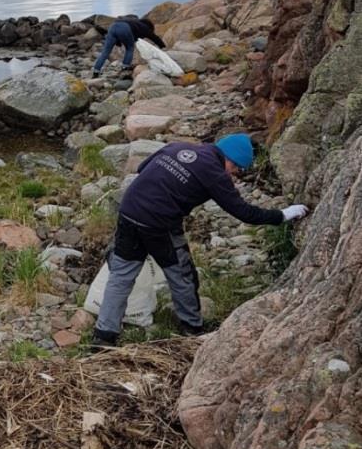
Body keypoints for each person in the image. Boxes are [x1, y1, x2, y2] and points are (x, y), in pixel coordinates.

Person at [92, 133, 309, 348]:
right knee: (181, 272)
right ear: (232, 160)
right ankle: (192, 328)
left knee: (121, 274)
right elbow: (244, 213)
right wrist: (283, 215)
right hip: (159, 222)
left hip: (129, 209)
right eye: (236, 170)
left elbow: (143, 169)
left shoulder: (177, 147)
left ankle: (104, 336)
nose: (233, 175)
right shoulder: (215, 173)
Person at [92, 15, 166, 77]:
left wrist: (118, 42)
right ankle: (125, 68)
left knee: (105, 52)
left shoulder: (134, 22)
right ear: (149, 26)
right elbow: (154, 37)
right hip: (124, 28)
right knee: (129, 48)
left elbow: (121, 32)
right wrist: (163, 46)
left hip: (113, 26)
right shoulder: (144, 27)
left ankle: (96, 71)